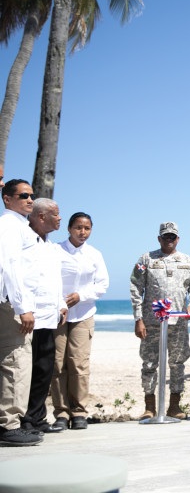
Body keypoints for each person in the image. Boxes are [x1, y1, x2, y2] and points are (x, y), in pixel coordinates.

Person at [130, 222, 190, 420]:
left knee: (177, 363)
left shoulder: (187, 260)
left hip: (177, 323)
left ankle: (174, 406)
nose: (169, 240)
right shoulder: (147, 259)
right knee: (149, 364)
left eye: (172, 237)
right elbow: (135, 287)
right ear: (159, 239)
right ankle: (150, 407)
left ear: (177, 239)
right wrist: (138, 318)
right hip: (151, 322)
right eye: (165, 236)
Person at [50, 212, 109, 431]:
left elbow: (102, 285)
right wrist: (60, 303)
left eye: (87, 228)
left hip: (83, 314)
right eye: (78, 227)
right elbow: (48, 280)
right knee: (57, 364)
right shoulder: (55, 250)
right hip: (57, 314)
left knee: (79, 363)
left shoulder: (95, 254)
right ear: (69, 228)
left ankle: (79, 412)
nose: (82, 232)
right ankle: (61, 413)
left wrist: (80, 296)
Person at [19, 199, 68, 435]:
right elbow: (20, 279)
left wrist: (61, 305)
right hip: (29, 317)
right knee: (24, 371)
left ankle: (37, 418)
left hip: (49, 317)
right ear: (41, 217)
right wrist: (24, 309)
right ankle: (22, 420)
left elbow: (54, 280)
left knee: (44, 369)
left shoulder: (51, 247)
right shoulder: (25, 241)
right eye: (55, 214)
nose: (59, 218)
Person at [0, 178, 42, 446]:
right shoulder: (9, 225)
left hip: (14, 303)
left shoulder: (19, 225)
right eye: (23, 195)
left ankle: (9, 423)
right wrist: (22, 307)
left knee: (14, 361)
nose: (30, 200)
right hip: (12, 305)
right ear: (7, 199)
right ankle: (9, 426)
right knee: (16, 361)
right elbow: (10, 267)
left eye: (31, 196)